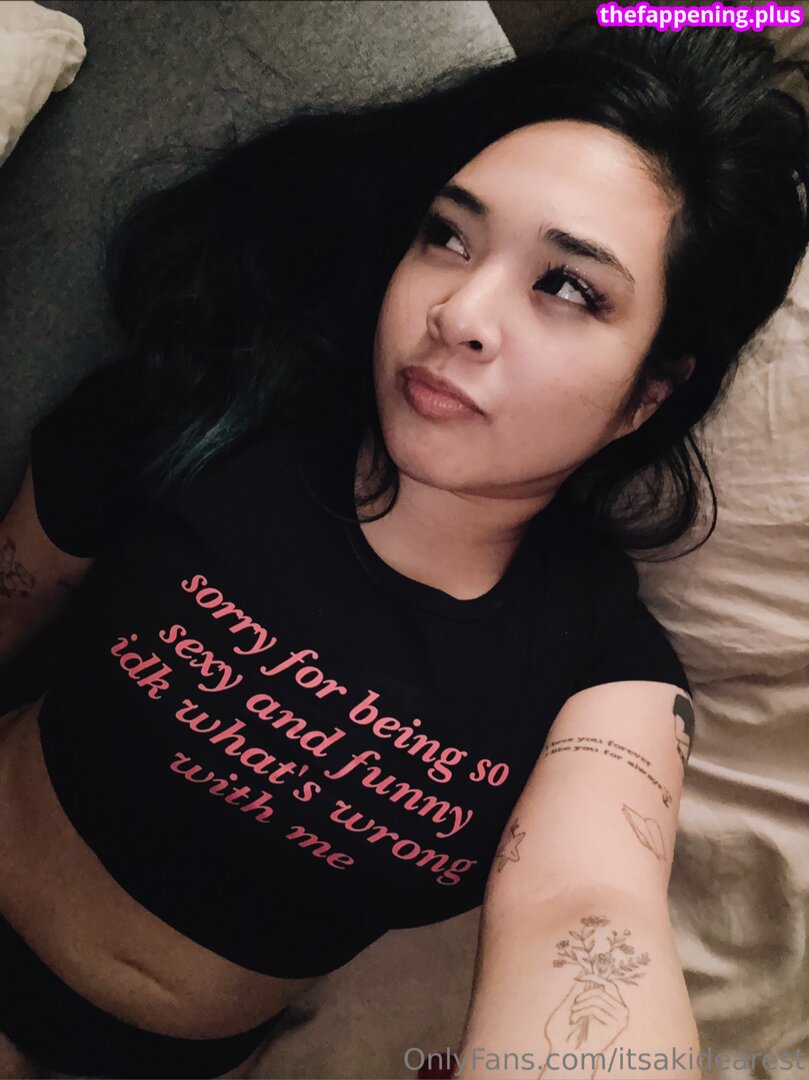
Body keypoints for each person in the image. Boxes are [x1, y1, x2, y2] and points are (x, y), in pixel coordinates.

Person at [0, 15, 807, 1080]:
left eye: (568, 287)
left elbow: (586, 904)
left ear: (645, 396)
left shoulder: (605, 677)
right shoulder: (206, 410)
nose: (459, 311)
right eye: (447, 236)